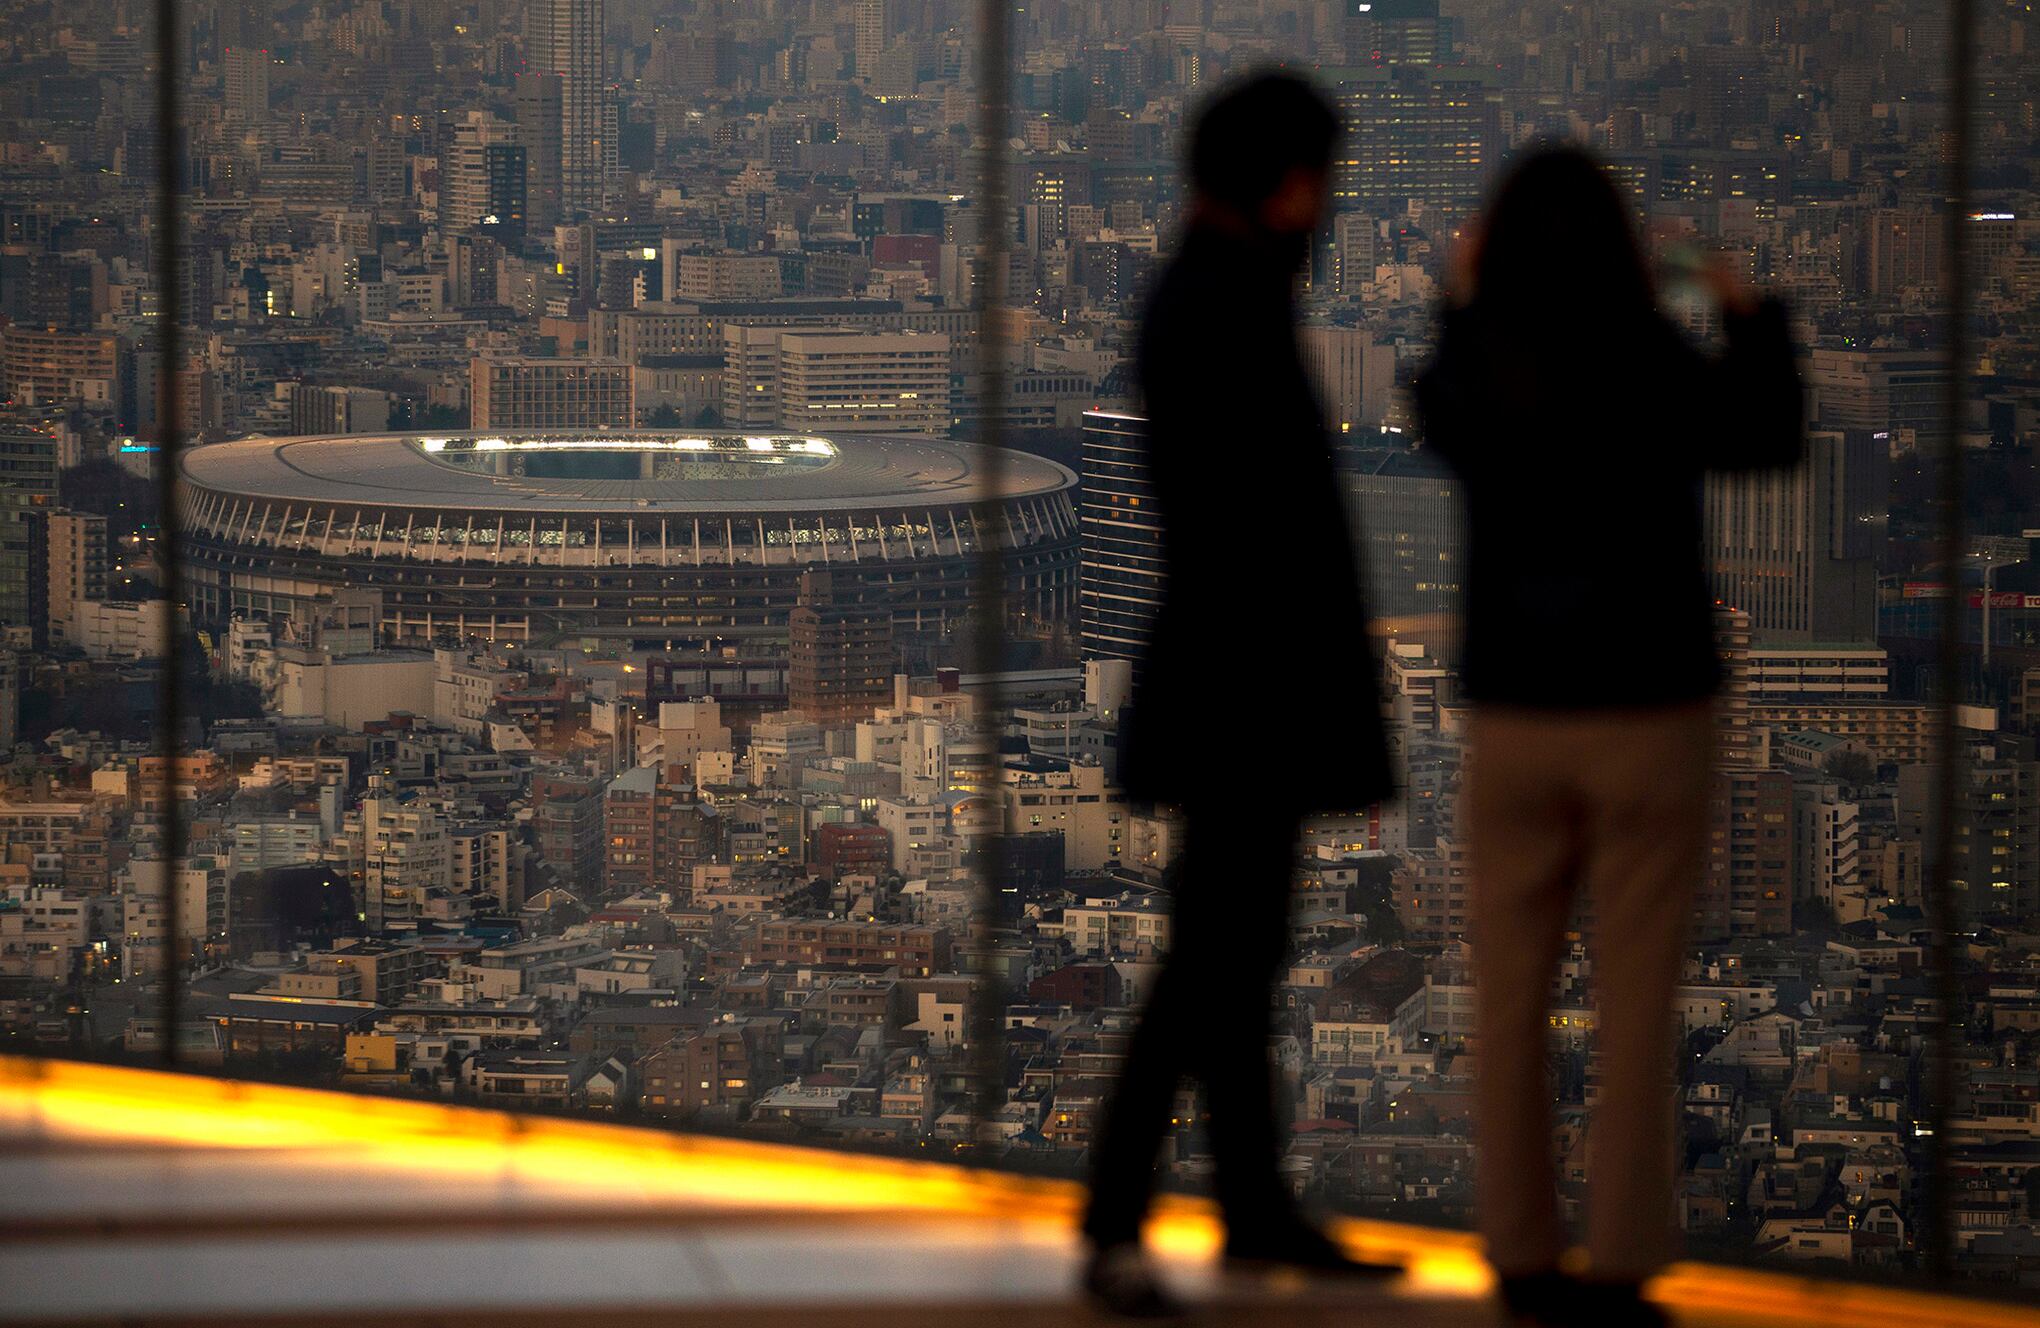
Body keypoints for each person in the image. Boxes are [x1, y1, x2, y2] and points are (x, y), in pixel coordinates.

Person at [1415, 148, 1803, 1328]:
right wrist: (1743, 304)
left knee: (1509, 997)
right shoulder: (1654, 359)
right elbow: (1768, 430)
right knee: (1637, 1002)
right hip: (1650, 709)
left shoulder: (1490, 364)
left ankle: (1522, 1254)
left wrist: (1461, 296)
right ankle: (1627, 1259)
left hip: (1519, 715)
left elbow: (1435, 405)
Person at [1080, 72, 1399, 1318]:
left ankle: (1243, 1207)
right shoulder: (1223, 302)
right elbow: (1255, 521)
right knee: (1214, 961)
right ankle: (1125, 1216)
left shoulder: (1210, 290)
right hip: (1247, 688)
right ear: (1286, 181)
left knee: (1229, 959)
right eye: (1318, 175)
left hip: (1234, 680)